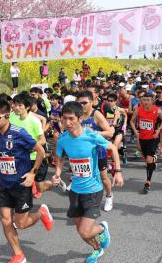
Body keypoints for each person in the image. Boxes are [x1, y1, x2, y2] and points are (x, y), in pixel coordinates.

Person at [0, 98, 54, 263]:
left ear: (7, 115)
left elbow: (40, 151)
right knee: (6, 220)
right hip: (4, 184)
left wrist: (33, 174)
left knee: (20, 224)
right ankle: (19, 255)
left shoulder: (19, 133)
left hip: (21, 184)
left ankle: (42, 213)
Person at [52, 101, 124, 263]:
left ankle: (101, 228)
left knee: (85, 231)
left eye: (71, 119)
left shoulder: (91, 136)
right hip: (75, 190)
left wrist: (117, 172)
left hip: (93, 189)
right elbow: (60, 159)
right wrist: (57, 174)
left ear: (80, 118)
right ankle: (97, 249)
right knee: (80, 229)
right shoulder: (63, 139)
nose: (67, 123)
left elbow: (112, 148)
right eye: (64, 119)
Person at [77, 91, 115, 212]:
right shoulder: (76, 115)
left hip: (98, 151)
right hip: (82, 153)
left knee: (103, 177)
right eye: (79, 103)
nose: (82, 105)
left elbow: (109, 132)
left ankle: (109, 196)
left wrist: (92, 133)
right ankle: (88, 202)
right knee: (85, 177)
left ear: (92, 103)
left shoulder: (96, 114)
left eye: (84, 103)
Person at [131, 92, 162, 193]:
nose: (146, 102)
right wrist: (135, 131)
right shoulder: (138, 110)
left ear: (152, 101)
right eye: (144, 100)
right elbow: (132, 121)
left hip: (153, 138)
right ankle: (153, 159)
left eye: (148, 100)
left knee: (148, 160)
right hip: (142, 137)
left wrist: (158, 130)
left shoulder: (157, 111)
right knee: (146, 158)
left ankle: (148, 182)